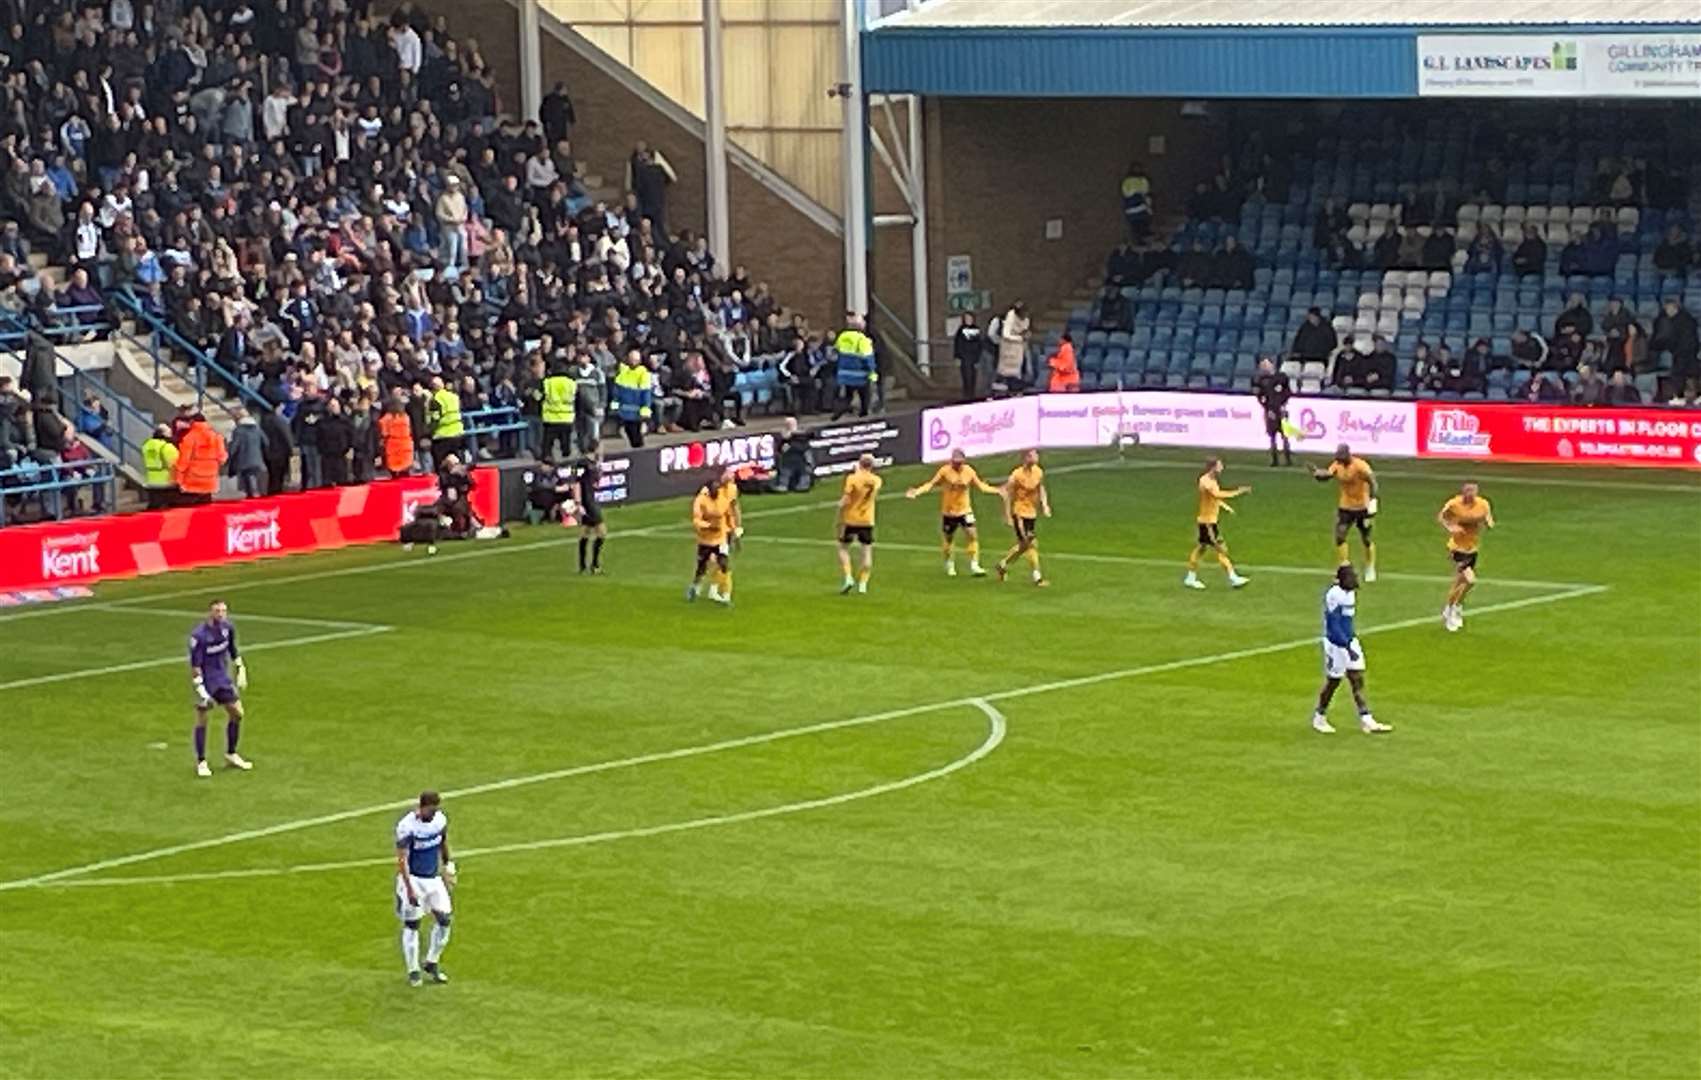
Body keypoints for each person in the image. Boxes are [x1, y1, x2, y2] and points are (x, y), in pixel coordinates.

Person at [1311, 565, 1392, 735]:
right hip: (1335, 644)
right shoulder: (1334, 595)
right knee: (1334, 682)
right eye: (1351, 577)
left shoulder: (1350, 593)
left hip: (1349, 639)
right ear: (1342, 580)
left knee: (1357, 678)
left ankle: (1366, 719)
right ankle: (1319, 716)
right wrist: (1347, 647)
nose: (1355, 580)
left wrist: (1350, 642)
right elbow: (1334, 624)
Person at [906, 448, 1000, 577]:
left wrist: (997, 490)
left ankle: (974, 565)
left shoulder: (969, 471)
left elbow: (981, 486)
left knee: (972, 535)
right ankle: (950, 565)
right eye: (955, 462)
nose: (957, 465)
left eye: (959, 462)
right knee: (949, 539)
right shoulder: (944, 471)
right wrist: (917, 491)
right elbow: (931, 484)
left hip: (965, 510)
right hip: (949, 512)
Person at [394, 790, 456, 988]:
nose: (435, 812)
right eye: (432, 808)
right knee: (412, 924)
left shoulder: (439, 821)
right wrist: (409, 888)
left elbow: (443, 842)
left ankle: (432, 962)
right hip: (413, 879)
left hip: (433, 879)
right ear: (422, 807)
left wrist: (448, 866)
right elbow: (402, 859)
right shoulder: (407, 826)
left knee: (444, 919)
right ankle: (413, 970)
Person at [188, 600, 252, 778]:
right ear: (210, 612)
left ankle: (231, 753)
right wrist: (200, 689)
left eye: (224, 611)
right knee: (202, 719)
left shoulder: (227, 628)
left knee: (237, 713)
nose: (221, 614)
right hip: (205, 681)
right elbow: (195, 665)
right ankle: (201, 761)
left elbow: (232, 649)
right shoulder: (199, 636)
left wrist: (241, 668)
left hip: (221, 679)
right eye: (218, 611)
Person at [1313, 443, 1378, 581]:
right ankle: (1344, 566)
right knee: (1340, 537)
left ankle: (1370, 566)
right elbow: (1329, 475)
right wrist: (1318, 474)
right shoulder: (1337, 464)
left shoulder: (1360, 466)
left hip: (1362, 507)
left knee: (1366, 539)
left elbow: (1373, 482)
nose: (1339, 461)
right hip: (1346, 507)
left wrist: (1372, 503)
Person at [1183, 458, 1250, 590]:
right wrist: (1239, 491)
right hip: (1208, 523)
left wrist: (1224, 507)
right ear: (1213, 467)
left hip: (1206, 521)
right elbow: (1217, 494)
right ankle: (1233, 578)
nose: (1222, 468)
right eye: (1219, 466)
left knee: (1201, 549)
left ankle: (1190, 577)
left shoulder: (1211, 481)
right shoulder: (1206, 481)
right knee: (1221, 550)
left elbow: (1212, 499)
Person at [1438, 481, 1495, 632]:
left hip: (1472, 549)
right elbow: (1442, 517)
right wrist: (1451, 527)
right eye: (1468, 492)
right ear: (1463, 492)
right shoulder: (1454, 504)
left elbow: (1488, 516)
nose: (1470, 495)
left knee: (1459, 583)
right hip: (1457, 548)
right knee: (1470, 580)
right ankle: (1453, 609)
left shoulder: (1482, 504)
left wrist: (1489, 522)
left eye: (1473, 492)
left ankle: (1451, 608)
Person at [995, 448, 1051, 587]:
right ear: (1025, 457)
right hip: (1019, 513)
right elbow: (1006, 493)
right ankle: (1037, 578)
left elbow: (1040, 488)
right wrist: (1007, 515)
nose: (1036, 457)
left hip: (1031, 513)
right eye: (1033, 455)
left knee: (1024, 545)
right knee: (1031, 544)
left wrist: (1045, 505)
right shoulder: (1016, 475)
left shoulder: (1038, 472)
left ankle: (1002, 564)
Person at [836, 454, 883, 595]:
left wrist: (840, 506)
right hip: (867, 519)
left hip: (851, 518)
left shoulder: (852, 478)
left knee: (843, 548)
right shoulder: (877, 480)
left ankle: (848, 577)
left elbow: (847, 497)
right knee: (866, 551)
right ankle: (863, 583)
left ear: (860, 463)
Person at [687, 475, 734, 605]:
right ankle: (695, 586)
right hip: (705, 539)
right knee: (702, 567)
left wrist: (733, 529)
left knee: (724, 564)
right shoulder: (701, 501)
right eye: (713, 490)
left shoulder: (723, 499)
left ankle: (726, 595)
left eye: (717, 490)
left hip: (721, 537)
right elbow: (696, 520)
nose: (716, 492)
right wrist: (708, 526)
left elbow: (728, 514)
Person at [173, 412, 227, 506]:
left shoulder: (189, 437)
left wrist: (179, 479)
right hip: (210, 479)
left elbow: (183, 462)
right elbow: (222, 458)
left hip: (193, 480)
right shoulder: (216, 437)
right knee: (206, 509)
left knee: (192, 510)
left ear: (192, 422)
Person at [831, 313, 876, 420]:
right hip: (860, 374)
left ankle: (838, 413)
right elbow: (868, 358)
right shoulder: (862, 340)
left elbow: (836, 351)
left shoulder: (842, 337)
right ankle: (864, 415)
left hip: (845, 373)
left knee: (848, 395)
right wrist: (872, 372)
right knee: (864, 396)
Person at [1252, 357, 1293, 466]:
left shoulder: (1282, 377)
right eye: (1262, 364)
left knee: (1285, 434)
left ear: (1272, 364)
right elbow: (1259, 395)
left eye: (1266, 364)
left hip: (1281, 409)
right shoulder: (1261, 380)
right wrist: (1266, 408)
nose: (1264, 366)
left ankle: (1288, 458)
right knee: (1272, 435)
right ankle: (1274, 459)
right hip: (1270, 410)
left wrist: (1283, 404)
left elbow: (1288, 392)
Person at [613, 349, 652, 448]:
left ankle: (639, 451)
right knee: (628, 432)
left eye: (635, 360)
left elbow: (646, 393)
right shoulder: (623, 372)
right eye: (631, 359)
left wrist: (645, 408)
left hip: (637, 411)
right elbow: (617, 389)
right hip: (624, 410)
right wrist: (615, 403)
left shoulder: (643, 373)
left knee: (636, 435)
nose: (633, 362)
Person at [575, 455, 606, 575]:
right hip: (590, 507)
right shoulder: (585, 476)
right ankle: (595, 564)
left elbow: (595, 486)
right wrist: (579, 504)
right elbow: (578, 488)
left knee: (585, 534)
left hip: (587, 506)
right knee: (601, 533)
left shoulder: (586, 476)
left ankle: (583, 565)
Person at [539, 361, 577, 461]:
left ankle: (547, 458)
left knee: (547, 444)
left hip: (550, 418)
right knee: (566, 443)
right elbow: (577, 398)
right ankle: (566, 460)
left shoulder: (547, 382)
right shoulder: (571, 382)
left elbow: (539, 397)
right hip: (567, 417)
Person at [227, 408, 267, 498]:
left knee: (249, 487)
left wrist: (229, 458)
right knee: (257, 485)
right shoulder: (257, 428)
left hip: (244, 462)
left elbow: (234, 448)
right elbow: (266, 442)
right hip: (258, 460)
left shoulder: (238, 431)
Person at [426, 375, 464, 470]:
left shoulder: (435, 400)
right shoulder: (454, 396)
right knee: (455, 462)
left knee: (441, 465)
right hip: (457, 433)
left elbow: (435, 419)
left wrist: (428, 432)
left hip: (442, 436)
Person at [141, 422, 180, 509]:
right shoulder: (167, 447)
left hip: (150, 481)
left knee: (153, 506)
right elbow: (177, 464)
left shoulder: (146, 445)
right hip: (166, 482)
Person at [772, 417, 814, 493]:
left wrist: (809, 462)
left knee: (804, 472)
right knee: (785, 472)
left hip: (801, 460)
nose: (789, 425)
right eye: (787, 423)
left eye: (790, 423)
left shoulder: (803, 435)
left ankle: (803, 485)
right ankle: (783, 485)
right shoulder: (783, 436)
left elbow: (806, 449)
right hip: (788, 460)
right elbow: (780, 449)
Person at [379, 399, 414, 477]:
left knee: (394, 468)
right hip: (406, 442)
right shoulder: (406, 417)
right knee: (405, 467)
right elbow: (410, 430)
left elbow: (384, 432)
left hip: (392, 443)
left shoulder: (387, 418)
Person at [953, 313, 983, 401]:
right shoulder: (960, 330)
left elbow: (979, 344)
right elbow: (957, 344)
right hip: (964, 356)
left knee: (973, 375)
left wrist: (978, 358)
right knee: (966, 376)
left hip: (973, 356)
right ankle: (966, 394)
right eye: (966, 318)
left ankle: (972, 394)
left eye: (970, 318)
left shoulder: (976, 329)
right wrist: (957, 356)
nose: (968, 320)